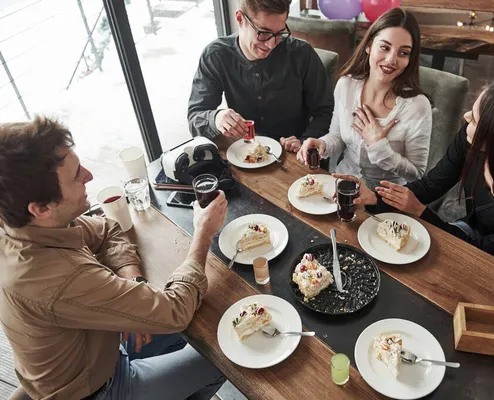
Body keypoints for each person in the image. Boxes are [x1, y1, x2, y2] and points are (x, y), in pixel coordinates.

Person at [0, 117, 228, 399]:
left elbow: (106, 229)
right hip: (101, 389)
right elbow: (175, 311)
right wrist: (203, 232)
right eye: (76, 175)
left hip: (95, 352)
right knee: (224, 357)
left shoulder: (24, 226)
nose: (89, 175)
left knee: (199, 317)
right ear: (41, 207)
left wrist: (132, 283)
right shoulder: (57, 277)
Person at [340, 78, 494, 290]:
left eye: (474, 118)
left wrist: (421, 212)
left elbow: (476, 253)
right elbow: (432, 184)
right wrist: (374, 198)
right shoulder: (473, 141)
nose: (466, 118)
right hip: (479, 236)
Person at [298, 8, 432, 190]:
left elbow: (416, 173)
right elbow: (337, 137)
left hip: (385, 199)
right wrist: (322, 144)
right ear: (369, 46)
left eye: (403, 53)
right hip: (342, 185)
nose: (392, 59)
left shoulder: (417, 106)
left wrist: (378, 146)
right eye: (385, 47)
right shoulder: (346, 85)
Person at [187, 0, 334, 153]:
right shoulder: (215, 56)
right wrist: (216, 118)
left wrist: (305, 142)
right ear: (240, 19)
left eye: (279, 34)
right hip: (244, 153)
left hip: (293, 156)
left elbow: (325, 112)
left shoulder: (302, 54)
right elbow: (195, 117)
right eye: (263, 33)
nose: (271, 44)